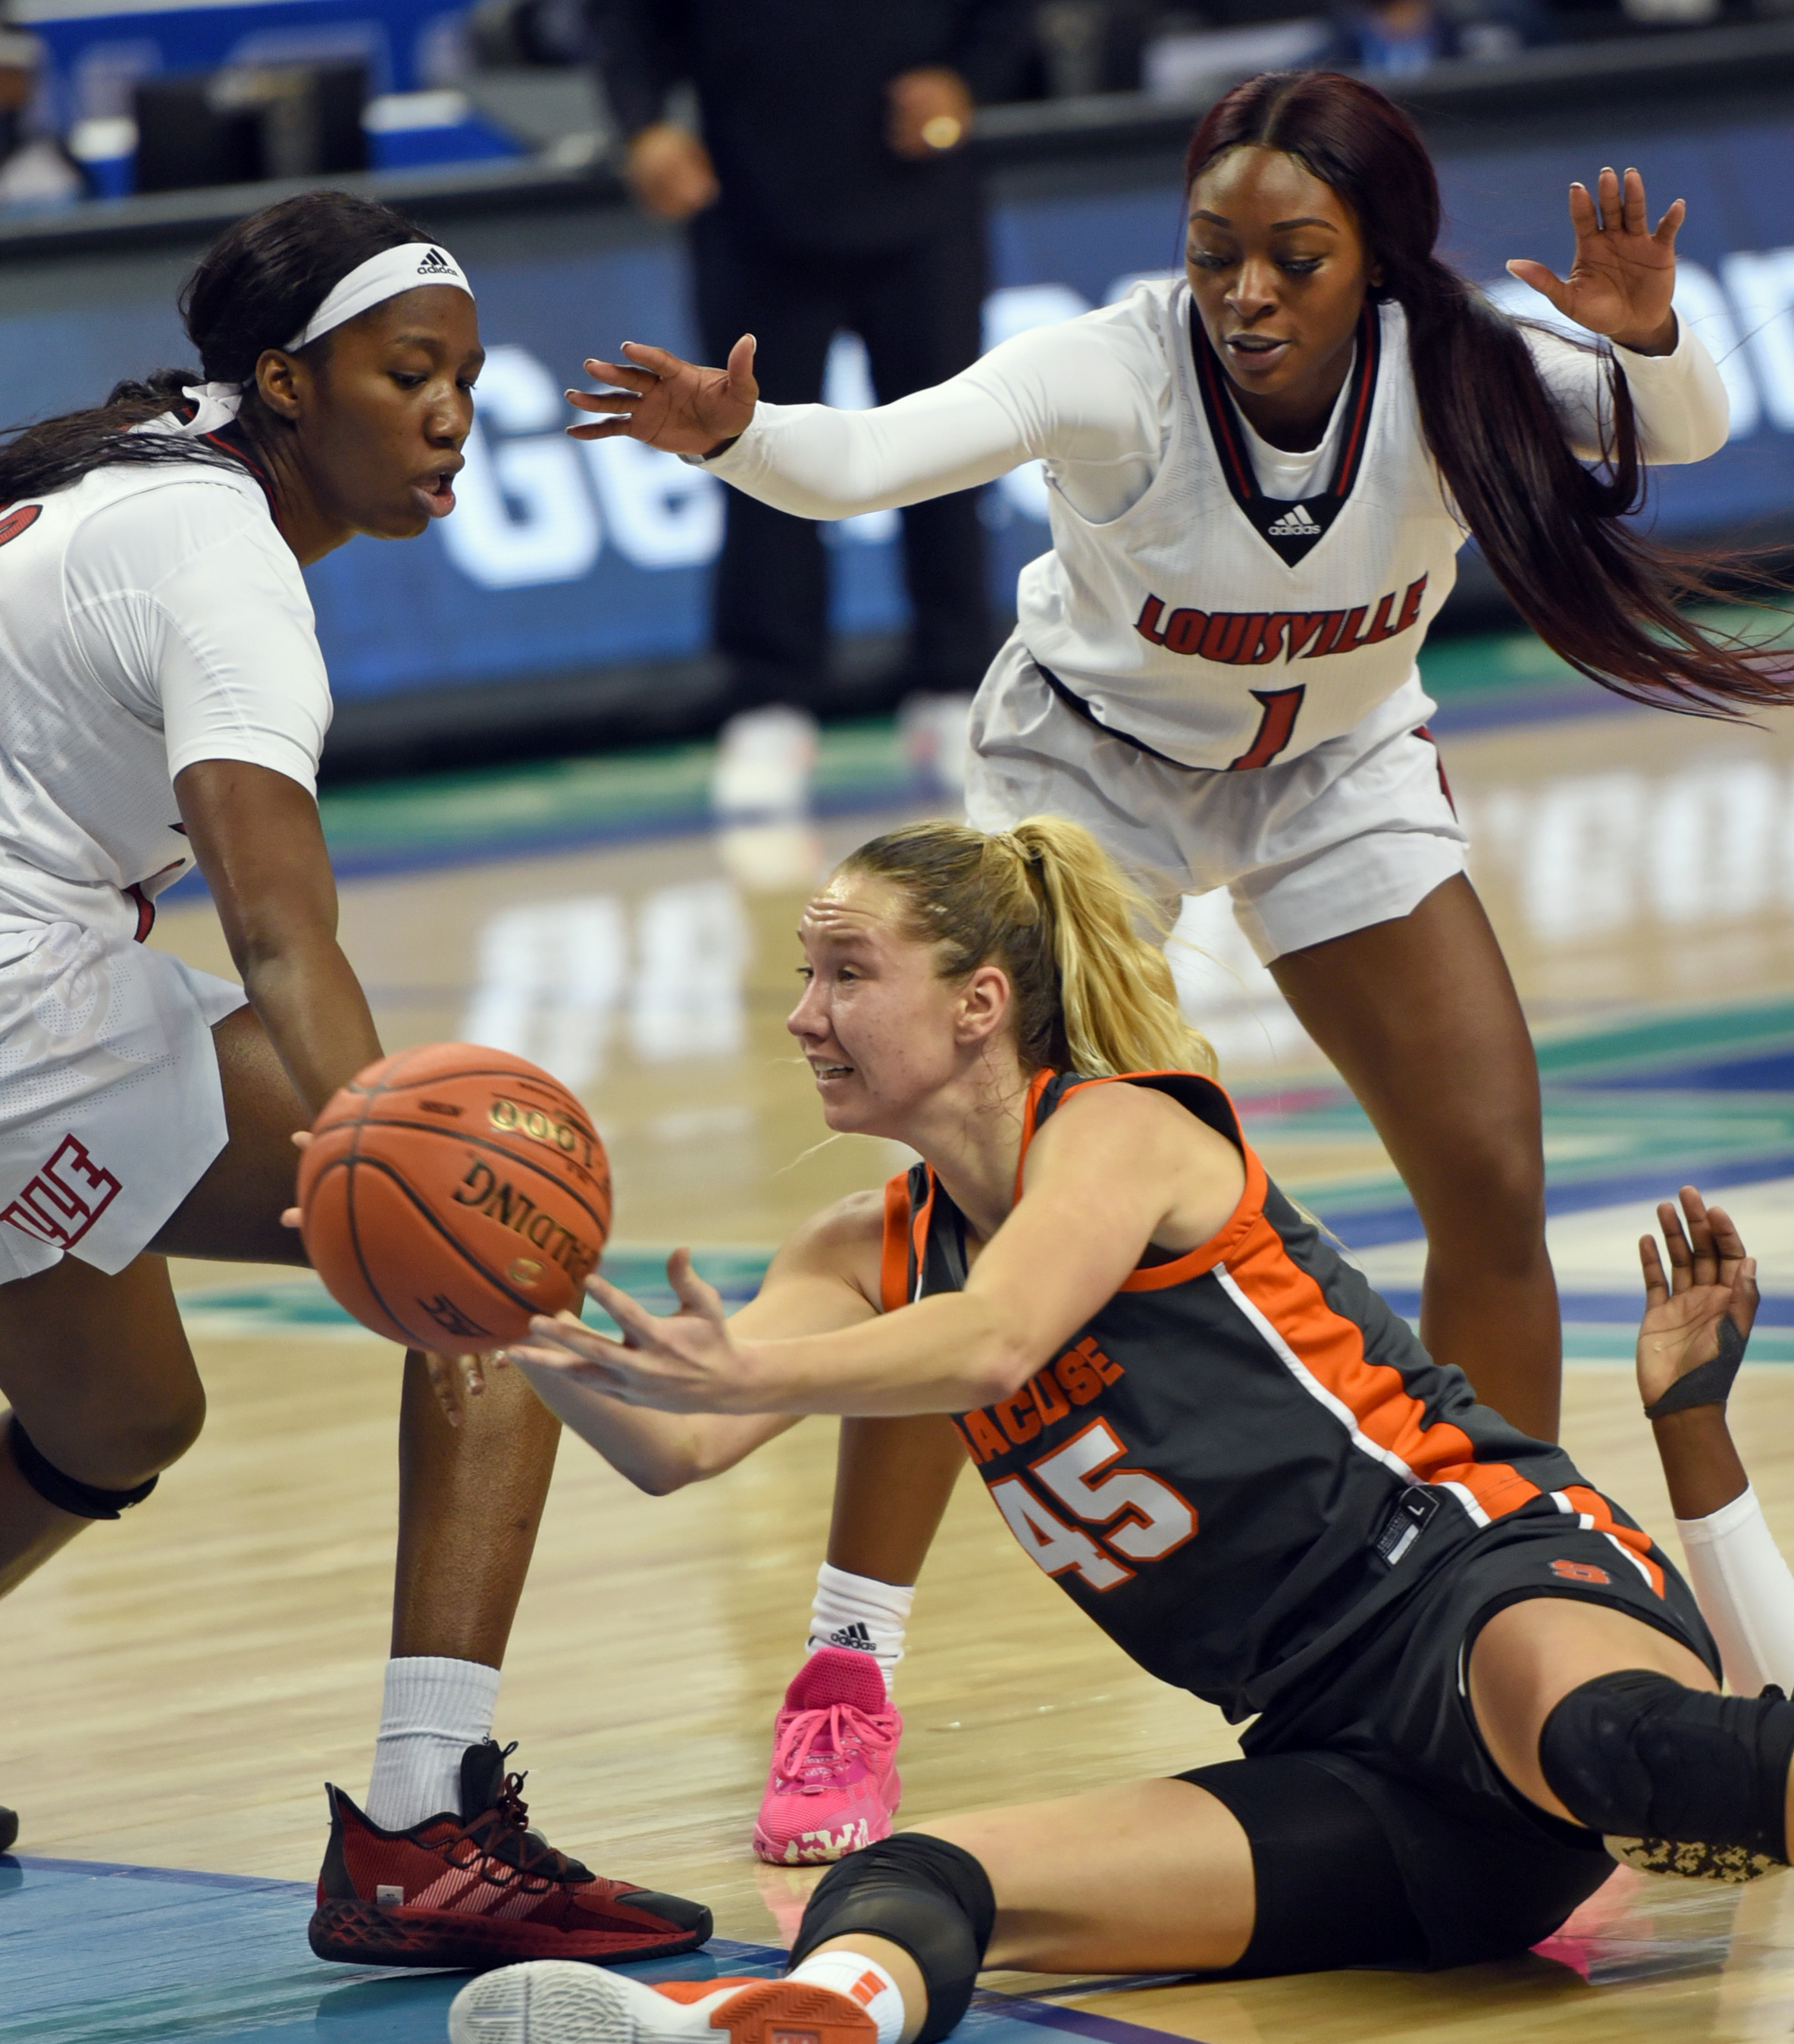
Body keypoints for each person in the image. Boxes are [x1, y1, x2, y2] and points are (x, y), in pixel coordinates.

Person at [435, 815, 1794, 2044]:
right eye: (805, 974)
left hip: (1469, 1576)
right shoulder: (861, 1249)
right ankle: (793, 2025)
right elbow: (677, 1445)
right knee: (920, 1875)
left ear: (979, 1003)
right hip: (1341, 1756)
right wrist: (492, 1299)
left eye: (847, 973)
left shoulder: (1121, 1129)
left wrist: (750, 1369)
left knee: (1612, 1745)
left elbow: (996, 1337)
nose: (803, 1015)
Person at [562, 68, 1789, 1451]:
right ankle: (858, 1586)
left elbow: (1680, 425)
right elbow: (866, 460)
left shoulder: (1455, 367)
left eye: (1295, 259)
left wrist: (1648, 339)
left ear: (1377, 260)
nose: (1246, 293)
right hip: (1089, 782)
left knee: (1492, 1184)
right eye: (1215, 254)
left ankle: (1502, 1535)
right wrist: (739, 433)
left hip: (1336, 770)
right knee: (994, 1213)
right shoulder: (1116, 370)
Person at [0, 188, 710, 1973]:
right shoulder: (215, 554)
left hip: (8, 988)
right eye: (409, 374)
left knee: (116, 1422)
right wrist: (410, 1164)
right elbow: (282, 936)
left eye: (467, 380)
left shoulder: (128, 482)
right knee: (496, 1239)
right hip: (2, 998)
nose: (452, 415)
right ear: (289, 382)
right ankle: (420, 1828)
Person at [587, 0, 1032, 803]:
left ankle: (952, 683)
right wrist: (644, 125)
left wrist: (968, 79)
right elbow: (623, 20)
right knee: (750, 448)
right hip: (750, 204)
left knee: (950, 444)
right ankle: (770, 699)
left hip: (922, 195)